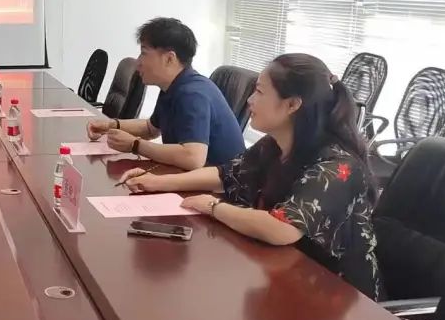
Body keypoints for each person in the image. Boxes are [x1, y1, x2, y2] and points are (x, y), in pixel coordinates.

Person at [119, 53, 382, 299]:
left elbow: (282, 228)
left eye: (259, 92)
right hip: (283, 272)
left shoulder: (339, 166)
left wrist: (213, 207)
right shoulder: (275, 144)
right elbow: (226, 174)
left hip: (337, 296)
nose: (250, 101)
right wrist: (158, 182)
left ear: (292, 104)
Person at [86, 18, 245, 169]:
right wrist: (109, 126)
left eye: (144, 53)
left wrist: (135, 145)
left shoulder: (192, 94)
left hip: (221, 185)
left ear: (169, 59)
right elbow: (150, 128)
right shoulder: (173, 86)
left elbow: (193, 158)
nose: (138, 62)